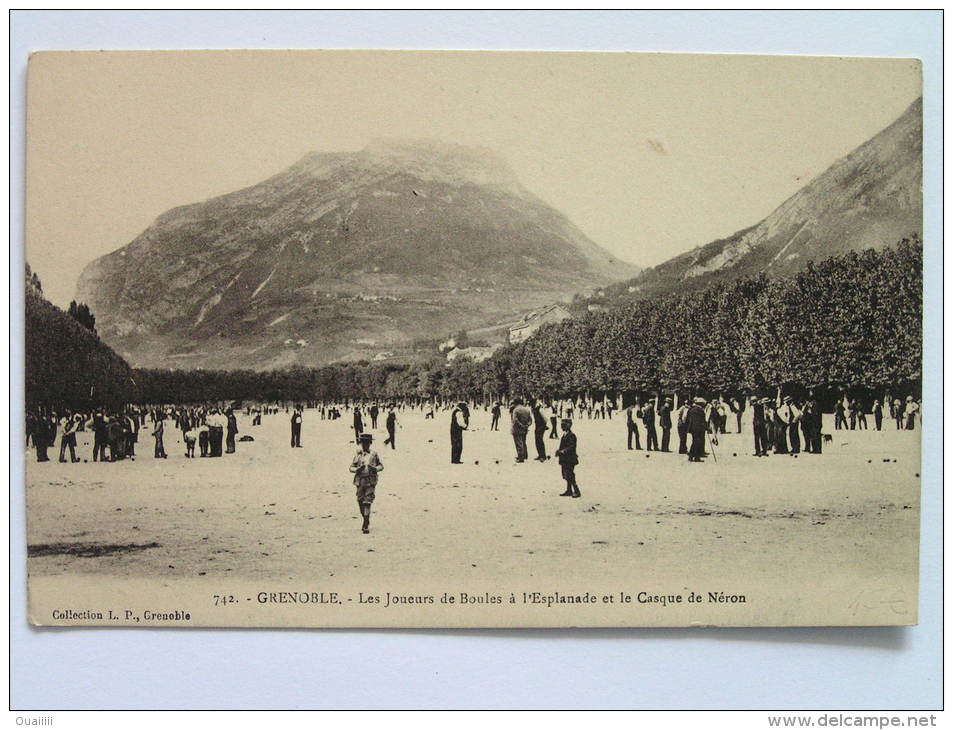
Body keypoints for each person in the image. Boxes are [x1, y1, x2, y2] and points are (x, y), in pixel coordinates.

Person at [350, 433, 383, 534]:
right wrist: (357, 470)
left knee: (367, 501)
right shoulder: (358, 455)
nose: (365, 445)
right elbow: (351, 467)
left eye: (367, 443)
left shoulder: (374, 454)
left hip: (370, 480)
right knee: (360, 500)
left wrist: (375, 469)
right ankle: (366, 518)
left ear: (370, 443)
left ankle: (365, 524)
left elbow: (381, 466)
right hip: (360, 481)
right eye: (363, 443)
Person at [555, 418, 580, 498]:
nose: (561, 427)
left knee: (570, 475)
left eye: (563, 425)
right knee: (566, 474)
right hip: (565, 459)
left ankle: (576, 491)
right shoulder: (564, 435)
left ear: (568, 426)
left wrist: (563, 451)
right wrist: (558, 451)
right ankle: (569, 490)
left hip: (570, 459)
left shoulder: (572, 435)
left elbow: (572, 447)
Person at [510, 398, 533, 463]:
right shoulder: (527, 410)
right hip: (525, 429)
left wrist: (521, 425)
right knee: (523, 442)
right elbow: (530, 420)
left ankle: (520, 457)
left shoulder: (516, 410)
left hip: (517, 429)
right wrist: (526, 426)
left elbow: (515, 420)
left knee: (518, 443)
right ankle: (525, 455)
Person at [686, 398, 708, 462]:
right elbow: (702, 421)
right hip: (699, 429)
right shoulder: (700, 410)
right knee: (698, 443)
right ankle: (696, 457)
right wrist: (706, 427)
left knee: (694, 442)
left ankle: (691, 456)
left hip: (693, 429)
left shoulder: (691, 409)